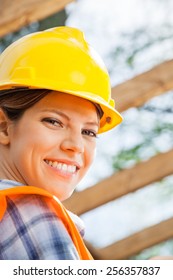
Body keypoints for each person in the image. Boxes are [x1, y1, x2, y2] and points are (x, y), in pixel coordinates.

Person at [0, 26, 123, 260]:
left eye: (89, 131)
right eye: (54, 122)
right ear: (3, 126)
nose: (76, 145)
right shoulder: (31, 212)